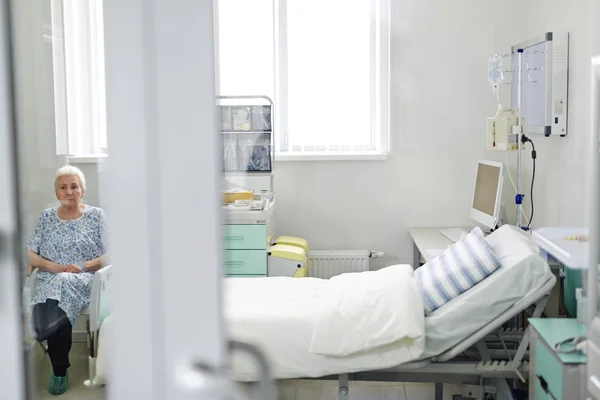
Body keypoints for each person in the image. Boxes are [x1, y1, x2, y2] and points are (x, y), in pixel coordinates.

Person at [27, 165, 108, 395]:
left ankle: (45, 337)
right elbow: (31, 252)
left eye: (74, 186)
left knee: (62, 284)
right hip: (48, 280)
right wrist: (51, 266)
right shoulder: (46, 217)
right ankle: (59, 368)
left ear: (83, 190)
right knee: (57, 289)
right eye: (63, 187)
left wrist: (83, 265)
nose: (69, 191)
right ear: (56, 193)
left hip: (83, 281)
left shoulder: (96, 216)